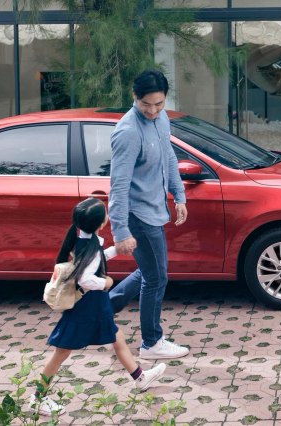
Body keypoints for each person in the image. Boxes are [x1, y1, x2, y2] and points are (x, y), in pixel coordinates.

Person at [31, 197, 167, 416]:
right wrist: (106, 282)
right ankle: (38, 398)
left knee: (117, 337)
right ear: (101, 223)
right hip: (87, 307)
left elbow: (93, 260)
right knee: (61, 352)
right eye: (105, 213)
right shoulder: (91, 247)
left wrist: (115, 250)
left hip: (93, 306)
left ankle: (140, 377)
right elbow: (85, 278)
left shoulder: (83, 240)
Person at [108, 69, 189, 360]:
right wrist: (120, 231)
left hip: (155, 209)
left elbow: (169, 156)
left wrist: (179, 195)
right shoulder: (128, 132)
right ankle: (151, 343)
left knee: (150, 270)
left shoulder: (161, 119)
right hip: (138, 215)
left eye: (159, 103)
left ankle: (103, 311)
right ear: (134, 96)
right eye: (146, 104)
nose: (153, 111)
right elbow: (118, 186)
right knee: (156, 278)